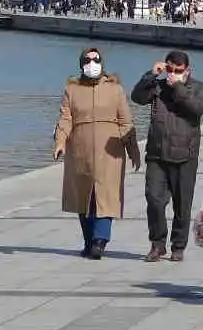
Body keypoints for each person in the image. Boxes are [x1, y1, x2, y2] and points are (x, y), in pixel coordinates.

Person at [54, 48, 141, 260]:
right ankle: (88, 240)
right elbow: (66, 119)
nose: (92, 63)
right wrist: (60, 142)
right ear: (81, 63)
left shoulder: (115, 89)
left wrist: (133, 150)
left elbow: (125, 121)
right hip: (80, 151)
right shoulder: (72, 90)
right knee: (84, 197)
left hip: (109, 152)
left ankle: (100, 240)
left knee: (105, 195)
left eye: (96, 59)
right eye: (88, 60)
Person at [131, 50, 203, 264]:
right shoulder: (158, 86)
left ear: (187, 70)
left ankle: (178, 245)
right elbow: (137, 97)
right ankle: (157, 244)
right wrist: (151, 75)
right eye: (170, 70)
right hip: (157, 154)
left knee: (182, 204)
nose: (173, 74)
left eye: (178, 70)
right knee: (154, 200)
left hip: (185, 155)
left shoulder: (198, 88)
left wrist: (177, 85)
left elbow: (196, 108)